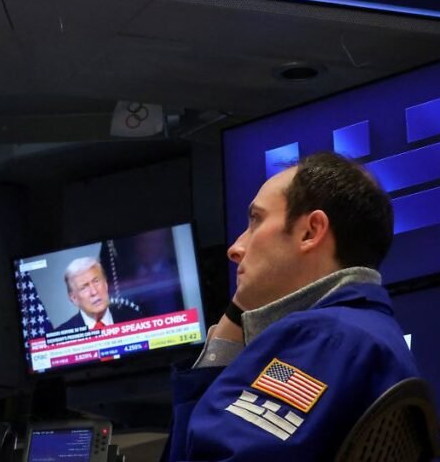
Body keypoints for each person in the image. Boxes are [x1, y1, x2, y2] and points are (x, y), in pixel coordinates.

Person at [163, 152, 419, 461]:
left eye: (256, 220)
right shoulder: (361, 334)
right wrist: (229, 337)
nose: (235, 248)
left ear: (310, 232)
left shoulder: (321, 338)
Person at [55, 257, 141, 331]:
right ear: (74, 298)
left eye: (96, 281)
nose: (94, 292)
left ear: (106, 284)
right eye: (84, 287)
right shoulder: (61, 335)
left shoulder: (134, 318)